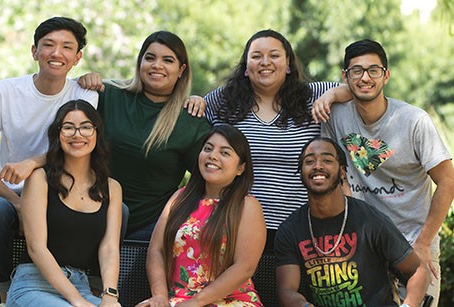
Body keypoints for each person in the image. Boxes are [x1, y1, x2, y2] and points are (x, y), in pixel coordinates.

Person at [0, 16, 98, 304]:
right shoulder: (3, 92)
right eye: (48, 45)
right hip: (10, 192)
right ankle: (2, 297)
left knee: (114, 211)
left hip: (62, 193)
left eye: (66, 47)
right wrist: (18, 202)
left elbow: (78, 146)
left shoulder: (84, 93)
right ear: (34, 51)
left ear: (78, 57)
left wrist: (31, 163)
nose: (56, 53)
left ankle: (94, 293)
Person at [318, 39, 454, 306]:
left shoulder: (414, 121)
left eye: (374, 70)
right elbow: (340, 174)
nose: (365, 77)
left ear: (386, 75)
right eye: (356, 71)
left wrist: (424, 244)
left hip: (413, 244)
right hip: (365, 246)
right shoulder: (336, 117)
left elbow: (448, 181)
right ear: (345, 77)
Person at [204, 29, 351, 242]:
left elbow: (354, 90)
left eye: (274, 55)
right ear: (246, 67)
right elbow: (194, 113)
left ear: (288, 63)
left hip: (304, 229)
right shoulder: (224, 100)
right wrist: (195, 100)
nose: (265, 62)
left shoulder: (312, 96)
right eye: (256, 56)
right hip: (236, 227)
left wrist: (332, 95)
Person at [78, 31, 211, 241]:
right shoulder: (108, 95)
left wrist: (180, 212)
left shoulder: (190, 120)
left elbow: (209, 178)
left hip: (150, 228)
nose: (157, 65)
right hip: (92, 215)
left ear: (181, 70)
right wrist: (82, 81)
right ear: (140, 63)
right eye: (150, 58)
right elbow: (67, 125)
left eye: (168, 60)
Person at [275, 136, 430, 307]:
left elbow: (418, 270)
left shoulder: (370, 220)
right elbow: (287, 290)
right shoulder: (290, 229)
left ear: (342, 171)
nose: (318, 166)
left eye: (327, 160)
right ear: (302, 173)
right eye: (309, 161)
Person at [6, 100, 122, 307]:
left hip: (81, 285)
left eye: (86, 127)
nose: (77, 134)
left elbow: (109, 248)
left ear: (97, 133)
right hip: (33, 285)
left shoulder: (112, 188)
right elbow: (36, 247)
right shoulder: (39, 179)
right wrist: (75, 301)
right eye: (68, 127)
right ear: (57, 135)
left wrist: (110, 296)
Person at [137, 124, 266, 306]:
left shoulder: (247, 206)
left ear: (241, 168)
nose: (212, 156)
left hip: (231, 301)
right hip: (179, 300)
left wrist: (197, 302)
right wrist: (159, 296)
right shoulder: (180, 197)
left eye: (225, 153)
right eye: (208, 148)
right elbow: (156, 250)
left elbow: (245, 267)